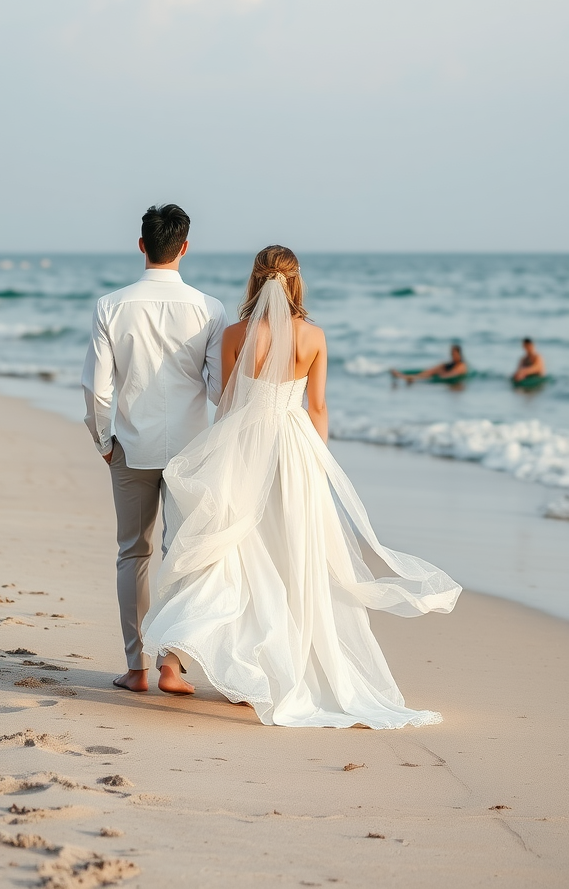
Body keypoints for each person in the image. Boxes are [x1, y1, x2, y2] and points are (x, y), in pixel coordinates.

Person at [142, 246, 461, 729]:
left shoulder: (234, 334)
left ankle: (176, 659)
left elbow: (226, 405)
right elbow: (318, 407)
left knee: (228, 553)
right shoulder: (312, 337)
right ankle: (268, 675)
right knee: (293, 560)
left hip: (242, 445)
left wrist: (223, 456)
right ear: (296, 283)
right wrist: (319, 462)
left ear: (255, 281)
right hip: (293, 452)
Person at [82, 205, 228, 694]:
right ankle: (172, 662)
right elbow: (216, 388)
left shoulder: (111, 306)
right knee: (180, 553)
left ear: (142, 244)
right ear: (184, 247)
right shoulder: (210, 309)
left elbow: (98, 388)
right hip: (191, 447)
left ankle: (136, 667)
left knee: (133, 553)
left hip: (130, 444)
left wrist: (103, 439)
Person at [391, 343, 468, 383]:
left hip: (453, 383)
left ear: (459, 354)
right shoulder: (450, 364)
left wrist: (443, 373)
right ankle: (409, 377)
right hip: (445, 373)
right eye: (451, 353)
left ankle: (408, 378)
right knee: (432, 370)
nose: (452, 356)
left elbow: (452, 374)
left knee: (431, 375)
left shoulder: (461, 366)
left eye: (454, 354)